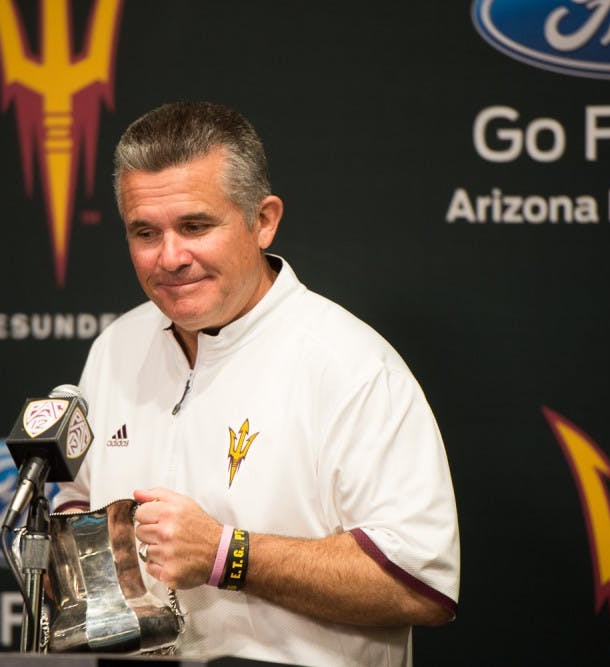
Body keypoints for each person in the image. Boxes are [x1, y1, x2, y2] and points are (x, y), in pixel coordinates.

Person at [52, 100, 460, 666]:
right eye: (145, 232)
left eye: (195, 226)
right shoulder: (116, 347)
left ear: (263, 220)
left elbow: (420, 582)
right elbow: (79, 503)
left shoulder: (351, 365)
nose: (170, 257)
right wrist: (82, 547)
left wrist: (226, 555)